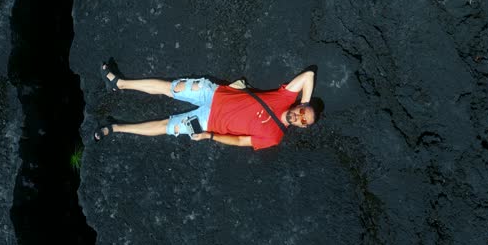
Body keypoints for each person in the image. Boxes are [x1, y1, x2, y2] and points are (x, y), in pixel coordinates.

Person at [93, 61, 320, 150]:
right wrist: (306, 102)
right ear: (299, 105)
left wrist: (210, 136)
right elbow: (308, 76)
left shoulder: (274, 136)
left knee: (166, 126)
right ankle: (118, 83)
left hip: (207, 123)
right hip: (214, 93)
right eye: (302, 112)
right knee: (169, 88)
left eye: (303, 122)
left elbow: (241, 140)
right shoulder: (286, 98)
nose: (299, 117)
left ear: (301, 127)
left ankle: (114, 128)